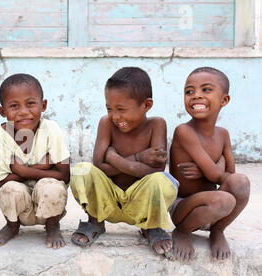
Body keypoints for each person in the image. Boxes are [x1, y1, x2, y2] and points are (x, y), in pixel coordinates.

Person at [70, 67, 179, 256]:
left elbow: (155, 171)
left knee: (163, 181)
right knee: (82, 171)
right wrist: (138, 159)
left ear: (146, 105)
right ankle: (95, 221)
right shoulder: (107, 123)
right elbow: (99, 167)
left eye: (121, 109)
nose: (115, 116)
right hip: (107, 202)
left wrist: (113, 157)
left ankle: (150, 226)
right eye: (109, 108)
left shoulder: (157, 124)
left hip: (141, 202)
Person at [169, 67, 250, 262]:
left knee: (242, 182)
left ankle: (217, 230)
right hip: (183, 207)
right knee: (224, 200)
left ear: (224, 100)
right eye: (189, 91)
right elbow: (216, 176)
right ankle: (182, 231)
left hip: (212, 207)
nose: (196, 96)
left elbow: (231, 175)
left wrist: (213, 168)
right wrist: (215, 168)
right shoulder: (184, 131)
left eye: (206, 90)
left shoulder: (223, 134)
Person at [0, 73, 70, 249]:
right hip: (20, 206)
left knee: (52, 186)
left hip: (49, 204)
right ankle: (12, 226)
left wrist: (23, 170)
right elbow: (2, 181)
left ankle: (53, 225)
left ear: (43, 105)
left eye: (30, 103)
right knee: (10, 190)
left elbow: (64, 175)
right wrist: (42, 166)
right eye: (14, 106)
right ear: (2, 112)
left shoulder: (51, 129)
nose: (23, 111)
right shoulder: (1, 135)